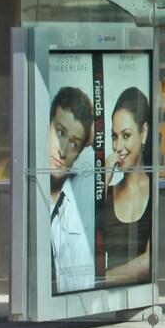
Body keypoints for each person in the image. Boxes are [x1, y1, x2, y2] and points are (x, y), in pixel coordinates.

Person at [100, 86, 153, 287]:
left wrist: (100, 279)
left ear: (144, 133)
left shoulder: (156, 191)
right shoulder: (108, 193)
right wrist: (103, 181)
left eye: (126, 135)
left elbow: (148, 262)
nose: (117, 147)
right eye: (114, 136)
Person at [45, 87, 96, 295]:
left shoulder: (80, 201)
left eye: (74, 143)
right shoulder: (27, 191)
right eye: (59, 132)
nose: (63, 150)